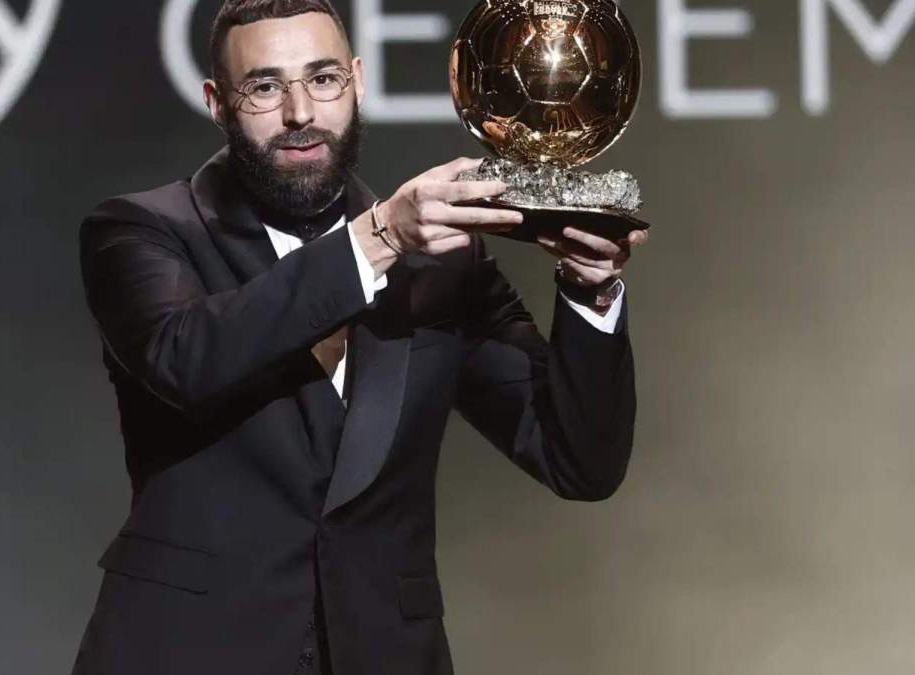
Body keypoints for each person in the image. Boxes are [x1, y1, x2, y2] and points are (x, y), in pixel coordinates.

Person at [72, 1, 647, 673]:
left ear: (357, 81)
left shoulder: (447, 264)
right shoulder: (142, 231)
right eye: (264, 87)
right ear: (217, 102)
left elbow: (579, 460)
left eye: (322, 80)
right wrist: (378, 239)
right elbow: (186, 359)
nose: (300, 113)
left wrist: (591, 291)